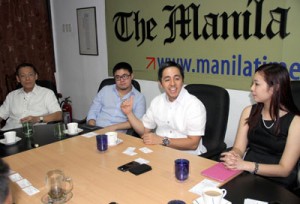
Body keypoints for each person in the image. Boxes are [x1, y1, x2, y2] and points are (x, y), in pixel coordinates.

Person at [220, 63, 300, 189]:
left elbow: (285, 169)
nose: (252, 88)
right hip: (248, 175)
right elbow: (239, 148)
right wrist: (234, 155)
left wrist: (246, 165)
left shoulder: (296, 122)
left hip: (279, 183)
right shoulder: (249, 111)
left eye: (257, 84)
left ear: (275, 88)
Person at [121, 61, 207, 155]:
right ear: (161, 84)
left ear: (182, 81)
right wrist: (129, 113)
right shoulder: (157, 102)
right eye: (167, 79)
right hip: (160, 152)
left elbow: (193, 143)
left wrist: (162, 140)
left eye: (177, 78)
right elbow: (144, 130)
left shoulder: (194, 105)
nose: (172, 83)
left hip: (188, 157)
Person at [0, 63, 62, 130]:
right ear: (18, 79)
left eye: (30, 75)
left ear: (36, 76)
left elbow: (58, 115)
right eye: (23, 76)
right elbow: (1, 114)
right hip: (10, 133)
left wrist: (37, 119)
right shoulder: (11, 96)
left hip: (36, 133)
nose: (27, 79)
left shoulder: (47, 93)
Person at [86, 62, 146, 132]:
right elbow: (93, 111)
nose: (121, 80)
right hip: (97, 129)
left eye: (124, 76)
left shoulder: (139, 98)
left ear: (132, 76)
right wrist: (92, 127)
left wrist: (114, 127)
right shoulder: (105, 90)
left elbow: (137, 122)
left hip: (117, 134)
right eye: (117, 77)